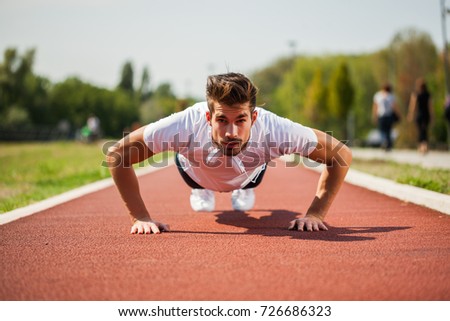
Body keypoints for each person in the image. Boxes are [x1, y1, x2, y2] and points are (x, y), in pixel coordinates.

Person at [107, 73, 352, 234]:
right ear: (208, 117)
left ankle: (242, 187)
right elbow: (117, 155)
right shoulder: (184, 124)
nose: (231, 132)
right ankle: (201, 188)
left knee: (246, 168)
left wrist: (316, 214)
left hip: (249, 173)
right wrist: (139, 217)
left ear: (254, 118)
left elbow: (341, 155)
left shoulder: (276, 129)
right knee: (201, 170)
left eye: (241, 120)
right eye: (222, 120)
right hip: (195, 172)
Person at [372, 83, 401, 151]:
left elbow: (375, 107)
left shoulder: (378, 95)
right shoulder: (391, 96)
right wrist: (399, 114)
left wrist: (374, 116)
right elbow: (394, 107)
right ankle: (388, 144)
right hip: (389, 116)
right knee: (388, 131)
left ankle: (384, 142)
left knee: (382, 130)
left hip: (381, 116)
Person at [407, 78, 433, 154]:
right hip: (426, 115)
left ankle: (420, 147)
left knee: (420, 131)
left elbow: (413, 106)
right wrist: (432, 116)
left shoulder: (415, 94)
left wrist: (411, 114)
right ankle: (425, 146)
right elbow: (430, 106)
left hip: (419, 115)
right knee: (425, 130)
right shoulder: (428, 94)